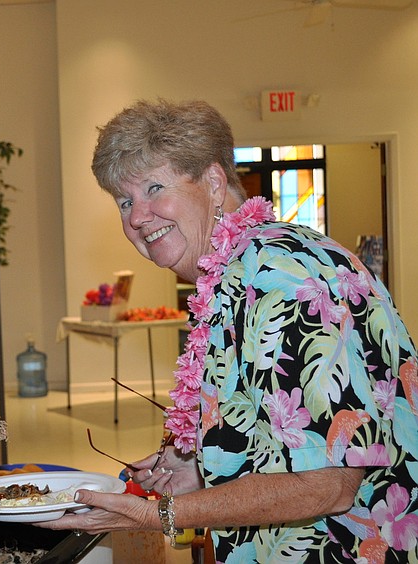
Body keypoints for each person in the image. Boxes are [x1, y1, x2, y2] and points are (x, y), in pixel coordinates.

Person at [36, 99, 418, 562]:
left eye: (155, 187)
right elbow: (282, 437)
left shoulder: (282, 278)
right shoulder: (235, 275)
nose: (136, 217)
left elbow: (329, 484)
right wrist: (204, 466)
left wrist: (158, 515)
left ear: (214, 183)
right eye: (125, 201)